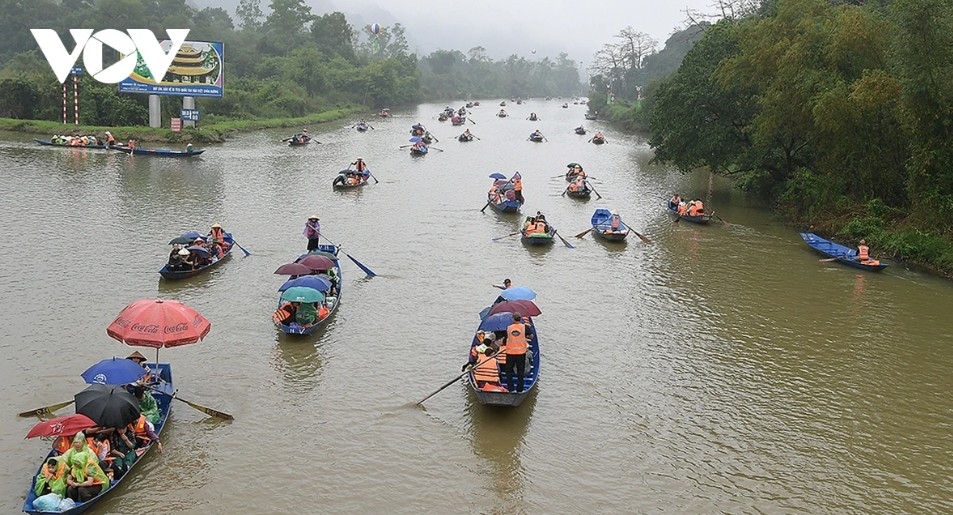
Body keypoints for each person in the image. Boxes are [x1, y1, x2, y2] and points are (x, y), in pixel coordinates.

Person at [503, 312, 533, 393]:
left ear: (513, 319)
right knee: (520, 371)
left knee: (508, 371)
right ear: (520, 319)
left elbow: (505, 339)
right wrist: (525, 336)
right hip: (521, 353)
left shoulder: (508, 328)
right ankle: (520, 389)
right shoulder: (524, 327)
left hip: (510, 353)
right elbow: (531, 336)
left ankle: (511, 389)